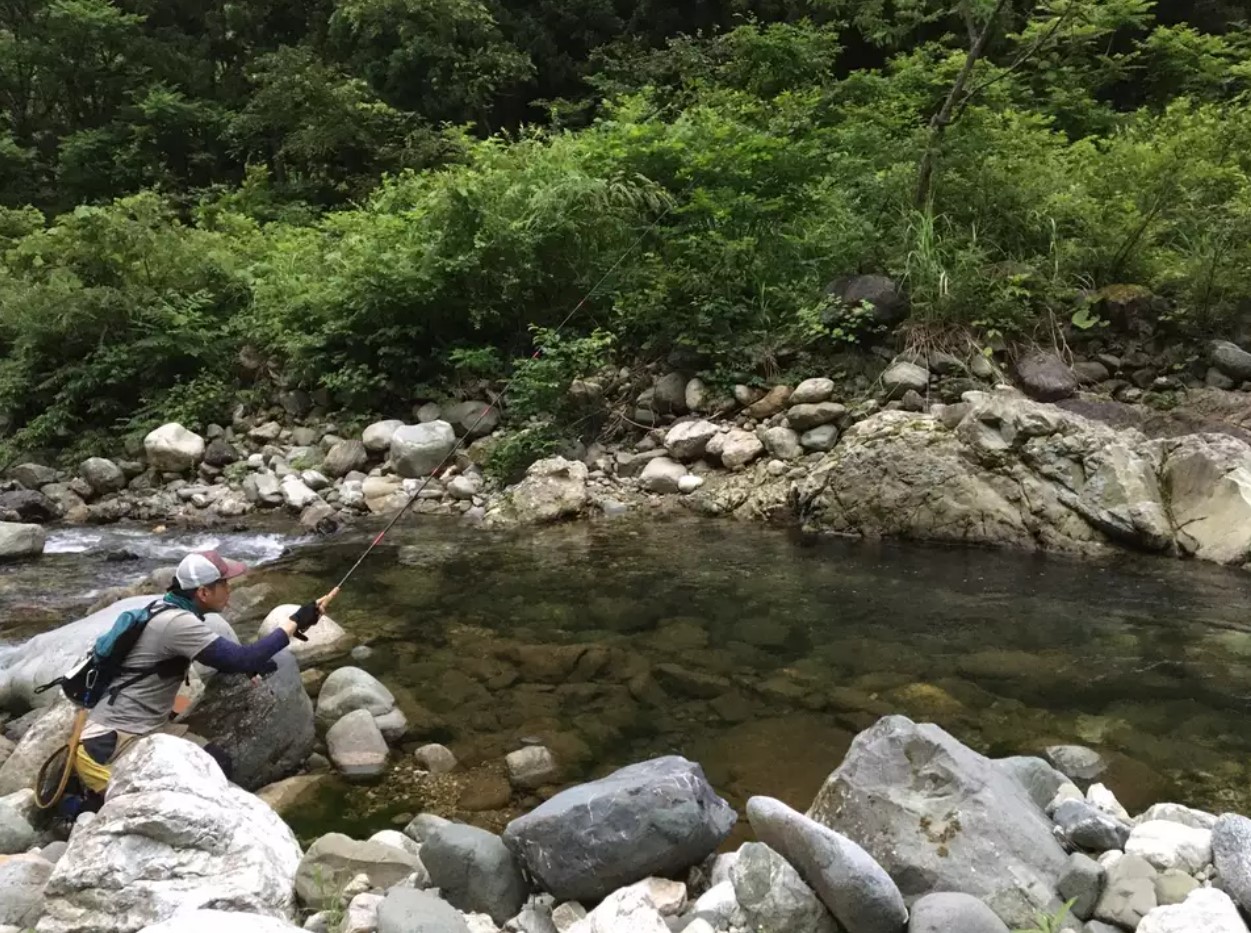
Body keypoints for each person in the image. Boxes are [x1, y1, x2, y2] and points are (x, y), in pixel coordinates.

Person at [72, 549, 337, 805]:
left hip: (136, 730)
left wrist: (247, 666)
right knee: (190, 788)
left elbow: (228, 660)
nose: (229, 589)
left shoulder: (168, 609)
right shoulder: (178, 624)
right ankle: (85, 805)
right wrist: (293, 622)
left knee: (216, 763)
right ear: (203, 592)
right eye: (223, 583)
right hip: (114, 744)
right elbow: (242, 659)